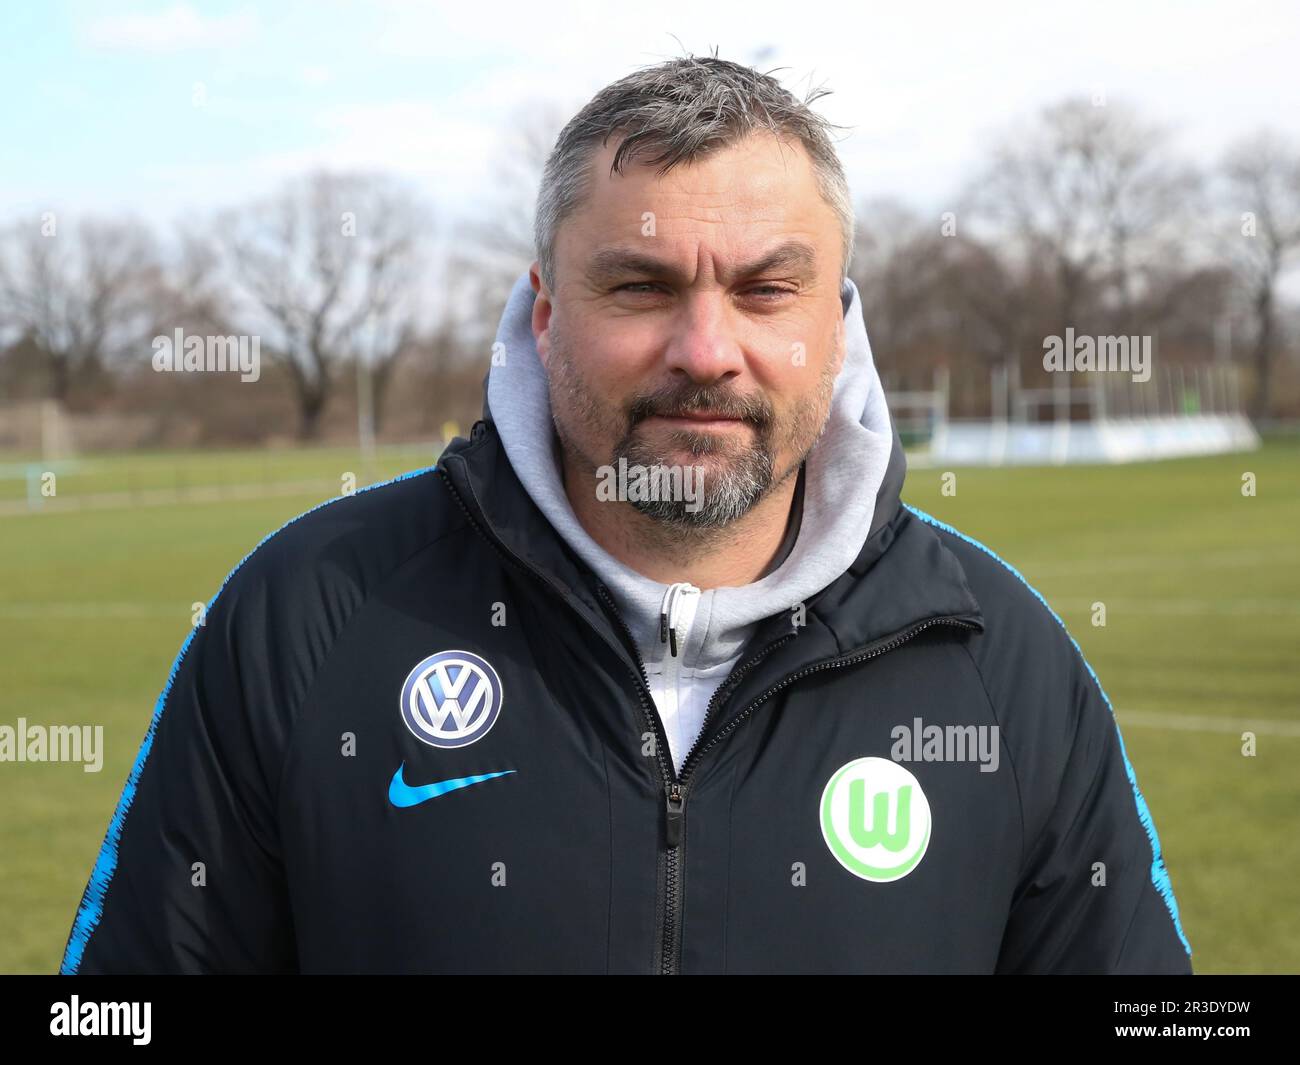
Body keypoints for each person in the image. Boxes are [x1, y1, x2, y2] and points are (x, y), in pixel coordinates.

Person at [60, 54, 1192, 975]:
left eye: (765, 290)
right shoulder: (308, 615)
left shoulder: (1001, 659)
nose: (706, 352)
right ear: (545, 314)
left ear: (838, 329)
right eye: (641, 287)